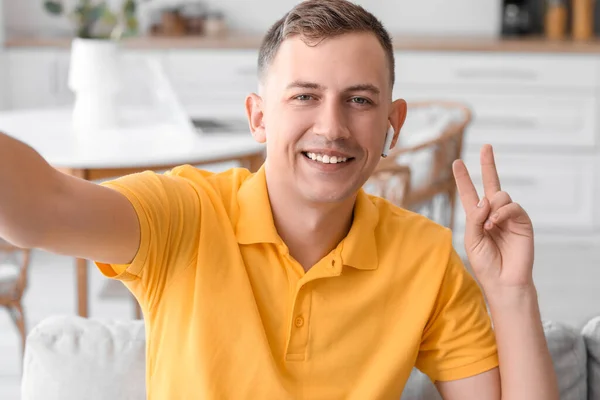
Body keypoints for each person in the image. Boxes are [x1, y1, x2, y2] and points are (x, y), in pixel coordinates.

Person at [0, 1, 559, 399]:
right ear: (259, 117)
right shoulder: (185, 213)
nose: (331, 126)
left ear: (393, 125)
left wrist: (512, 293)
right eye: (305, 97)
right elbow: (42, 207)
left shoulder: (427, 257)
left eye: (359, 100)